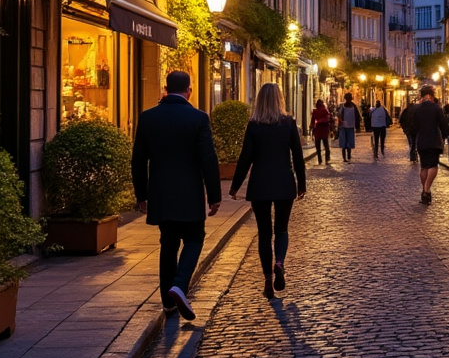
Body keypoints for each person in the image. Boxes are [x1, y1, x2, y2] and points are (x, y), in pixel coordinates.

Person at [131, 71, 221, 320]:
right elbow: (208, 159)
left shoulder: (148, 118)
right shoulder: (198, 118)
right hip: (190, 193)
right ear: (189, 90)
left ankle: (167, 302)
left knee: (168, 244)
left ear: (165, 89)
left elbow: (138, 160)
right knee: (194, 238)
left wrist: (141, 194)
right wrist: (214, 195)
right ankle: (179, 285)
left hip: (160, 193)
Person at [228, 83, 307, 298]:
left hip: (260, 184)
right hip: (284, 183)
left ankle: (267, 280)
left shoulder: (254, 125)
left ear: (259, 100)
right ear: (280, 99)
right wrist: (302, 185)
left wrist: (235, 186)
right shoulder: (288, 123)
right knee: (281, 229)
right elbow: (298, 157)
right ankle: (279, 262)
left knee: (264, 233)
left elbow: (246, 158)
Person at [411, 85, 449, 204]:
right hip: (434, 141)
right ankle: (427, 190)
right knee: (433, 165)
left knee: (424, 166)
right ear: (431, 96)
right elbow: (443, 124)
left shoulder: (417, 109)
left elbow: (413, 127)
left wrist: (414, 140)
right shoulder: (436, 108)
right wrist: (445, 135)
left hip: (422, 141)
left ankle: (424, 190)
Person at [336, 93, 361, 162]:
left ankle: (349, 156)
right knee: (343, 143)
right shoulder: (342, 107)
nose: (348, 100)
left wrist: (357, 126)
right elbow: (339, 116)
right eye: (347, 99)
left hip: (351, 127)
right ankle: (344, 158)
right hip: (343, 127)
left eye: (349, 99)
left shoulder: (354, 107)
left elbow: (357, 117)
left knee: (349, 143)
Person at [310, 99, 331, 164]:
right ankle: (327, 159)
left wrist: (311, 128)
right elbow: (328, 119)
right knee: (326, 145)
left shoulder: (315, 111)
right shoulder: (325, 111)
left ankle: (320, 160)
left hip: (318, 129)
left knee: (318, 146)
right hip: (324, 129)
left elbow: (312, 121)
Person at [400, 95, 420, 163]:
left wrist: (405, 129)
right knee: (415, 142)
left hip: (409, 130)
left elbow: (401, 120)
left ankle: (412, 156)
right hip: (415, 129)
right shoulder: (416, 111)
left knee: (411, 143)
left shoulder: (406, 111)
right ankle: (415, 155)